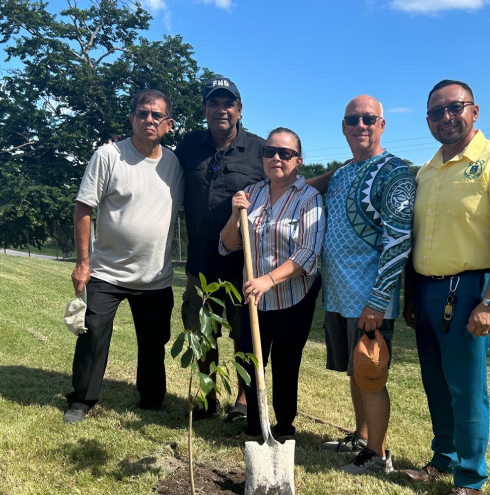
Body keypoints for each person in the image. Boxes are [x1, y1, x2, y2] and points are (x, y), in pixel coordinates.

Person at [401, 80, 490, 495]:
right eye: (435, 112)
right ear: (428, 121)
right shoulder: (426, 170)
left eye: (454, 108)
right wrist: (412, 297)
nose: (445, 117)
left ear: (475, 111)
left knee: (466, 387)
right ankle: (442, 459)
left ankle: (470, 479)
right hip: (426, 289)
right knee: (435, 383)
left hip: (469, 290)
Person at [64, 89, 183, 424]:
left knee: (153, 343)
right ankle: (81, 401)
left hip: (155, 276)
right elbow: (84, 207)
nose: (149, 120)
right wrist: (83, 263)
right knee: (93, 333)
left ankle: (151, 401)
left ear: (168, 124)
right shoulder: (108, 156)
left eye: (156, 115)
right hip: (107, 272)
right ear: (132, 118)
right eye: (142, 113)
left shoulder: (175, 164)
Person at [320, 95, 416, 474]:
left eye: (368, 119)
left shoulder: (396, 173)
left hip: (370, 298)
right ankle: (361, 436)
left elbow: (398, 242)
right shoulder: (343, 173)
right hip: (341, 294)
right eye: (352, 119)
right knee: (354, 371)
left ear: (381, 125)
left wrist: (378, 301)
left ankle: (377, 455)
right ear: (343, 127)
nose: (360, 125)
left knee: (371, 373)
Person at [220, 127, 325, 440]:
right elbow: (226, 244)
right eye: (269, 151)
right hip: (254, 299)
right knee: (251, 363)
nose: (276, 158)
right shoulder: (252, 194)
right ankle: (254, 428)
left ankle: (283, 428)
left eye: (285, 153)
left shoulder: (309, 198)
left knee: (284, 364)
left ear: (298, 161)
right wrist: (235, 214)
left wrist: (268, 280)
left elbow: (308, 254)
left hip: (293, 299)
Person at [175, 76, 265, 421]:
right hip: (200, 262)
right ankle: (207, 396)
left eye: (228, 103)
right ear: (204, 110)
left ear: (239, 110)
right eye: (214, 103)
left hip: (243, 265)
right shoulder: (188, 147)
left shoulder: (259, 149)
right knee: (201, 331)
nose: (221, 109)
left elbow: (286, 183)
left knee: (244, 333)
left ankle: (243, 401)